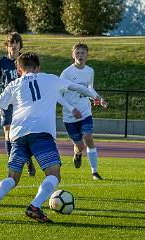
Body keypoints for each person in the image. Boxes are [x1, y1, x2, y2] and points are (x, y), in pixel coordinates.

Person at [0, 52, 106, 223]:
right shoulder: (50, 79)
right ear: (38, 68)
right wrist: (96, 97)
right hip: (41, 134)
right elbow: (77, 87)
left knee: (12, 178)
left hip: (18, 136)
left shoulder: (14, 84)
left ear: (19, 69)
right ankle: (34, 206)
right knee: (53, 174)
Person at [60, 42, 108, 180]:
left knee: (88, 137)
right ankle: (77, 153)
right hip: (70, 115)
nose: (80, 55)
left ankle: (94, 172)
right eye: (77, 53)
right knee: (80, 145)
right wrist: (70, 108)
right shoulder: (66, 73)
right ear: (73, 55)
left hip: (85, 111)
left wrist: (99, 98)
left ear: (87, 55)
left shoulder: (90, 71)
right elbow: (59, 93)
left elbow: (90, 88)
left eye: (83, 53)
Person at [0, 32, 36, 177]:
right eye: (11, 42)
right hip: (6, 101)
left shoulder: (24, 60)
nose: (14, 45)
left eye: (17, 42)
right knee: (8, 132)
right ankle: (12, 163)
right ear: (7, 45)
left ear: (20, 45)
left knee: (23, 133)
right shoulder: (1, 62)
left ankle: (28, 160)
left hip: (21, 100)